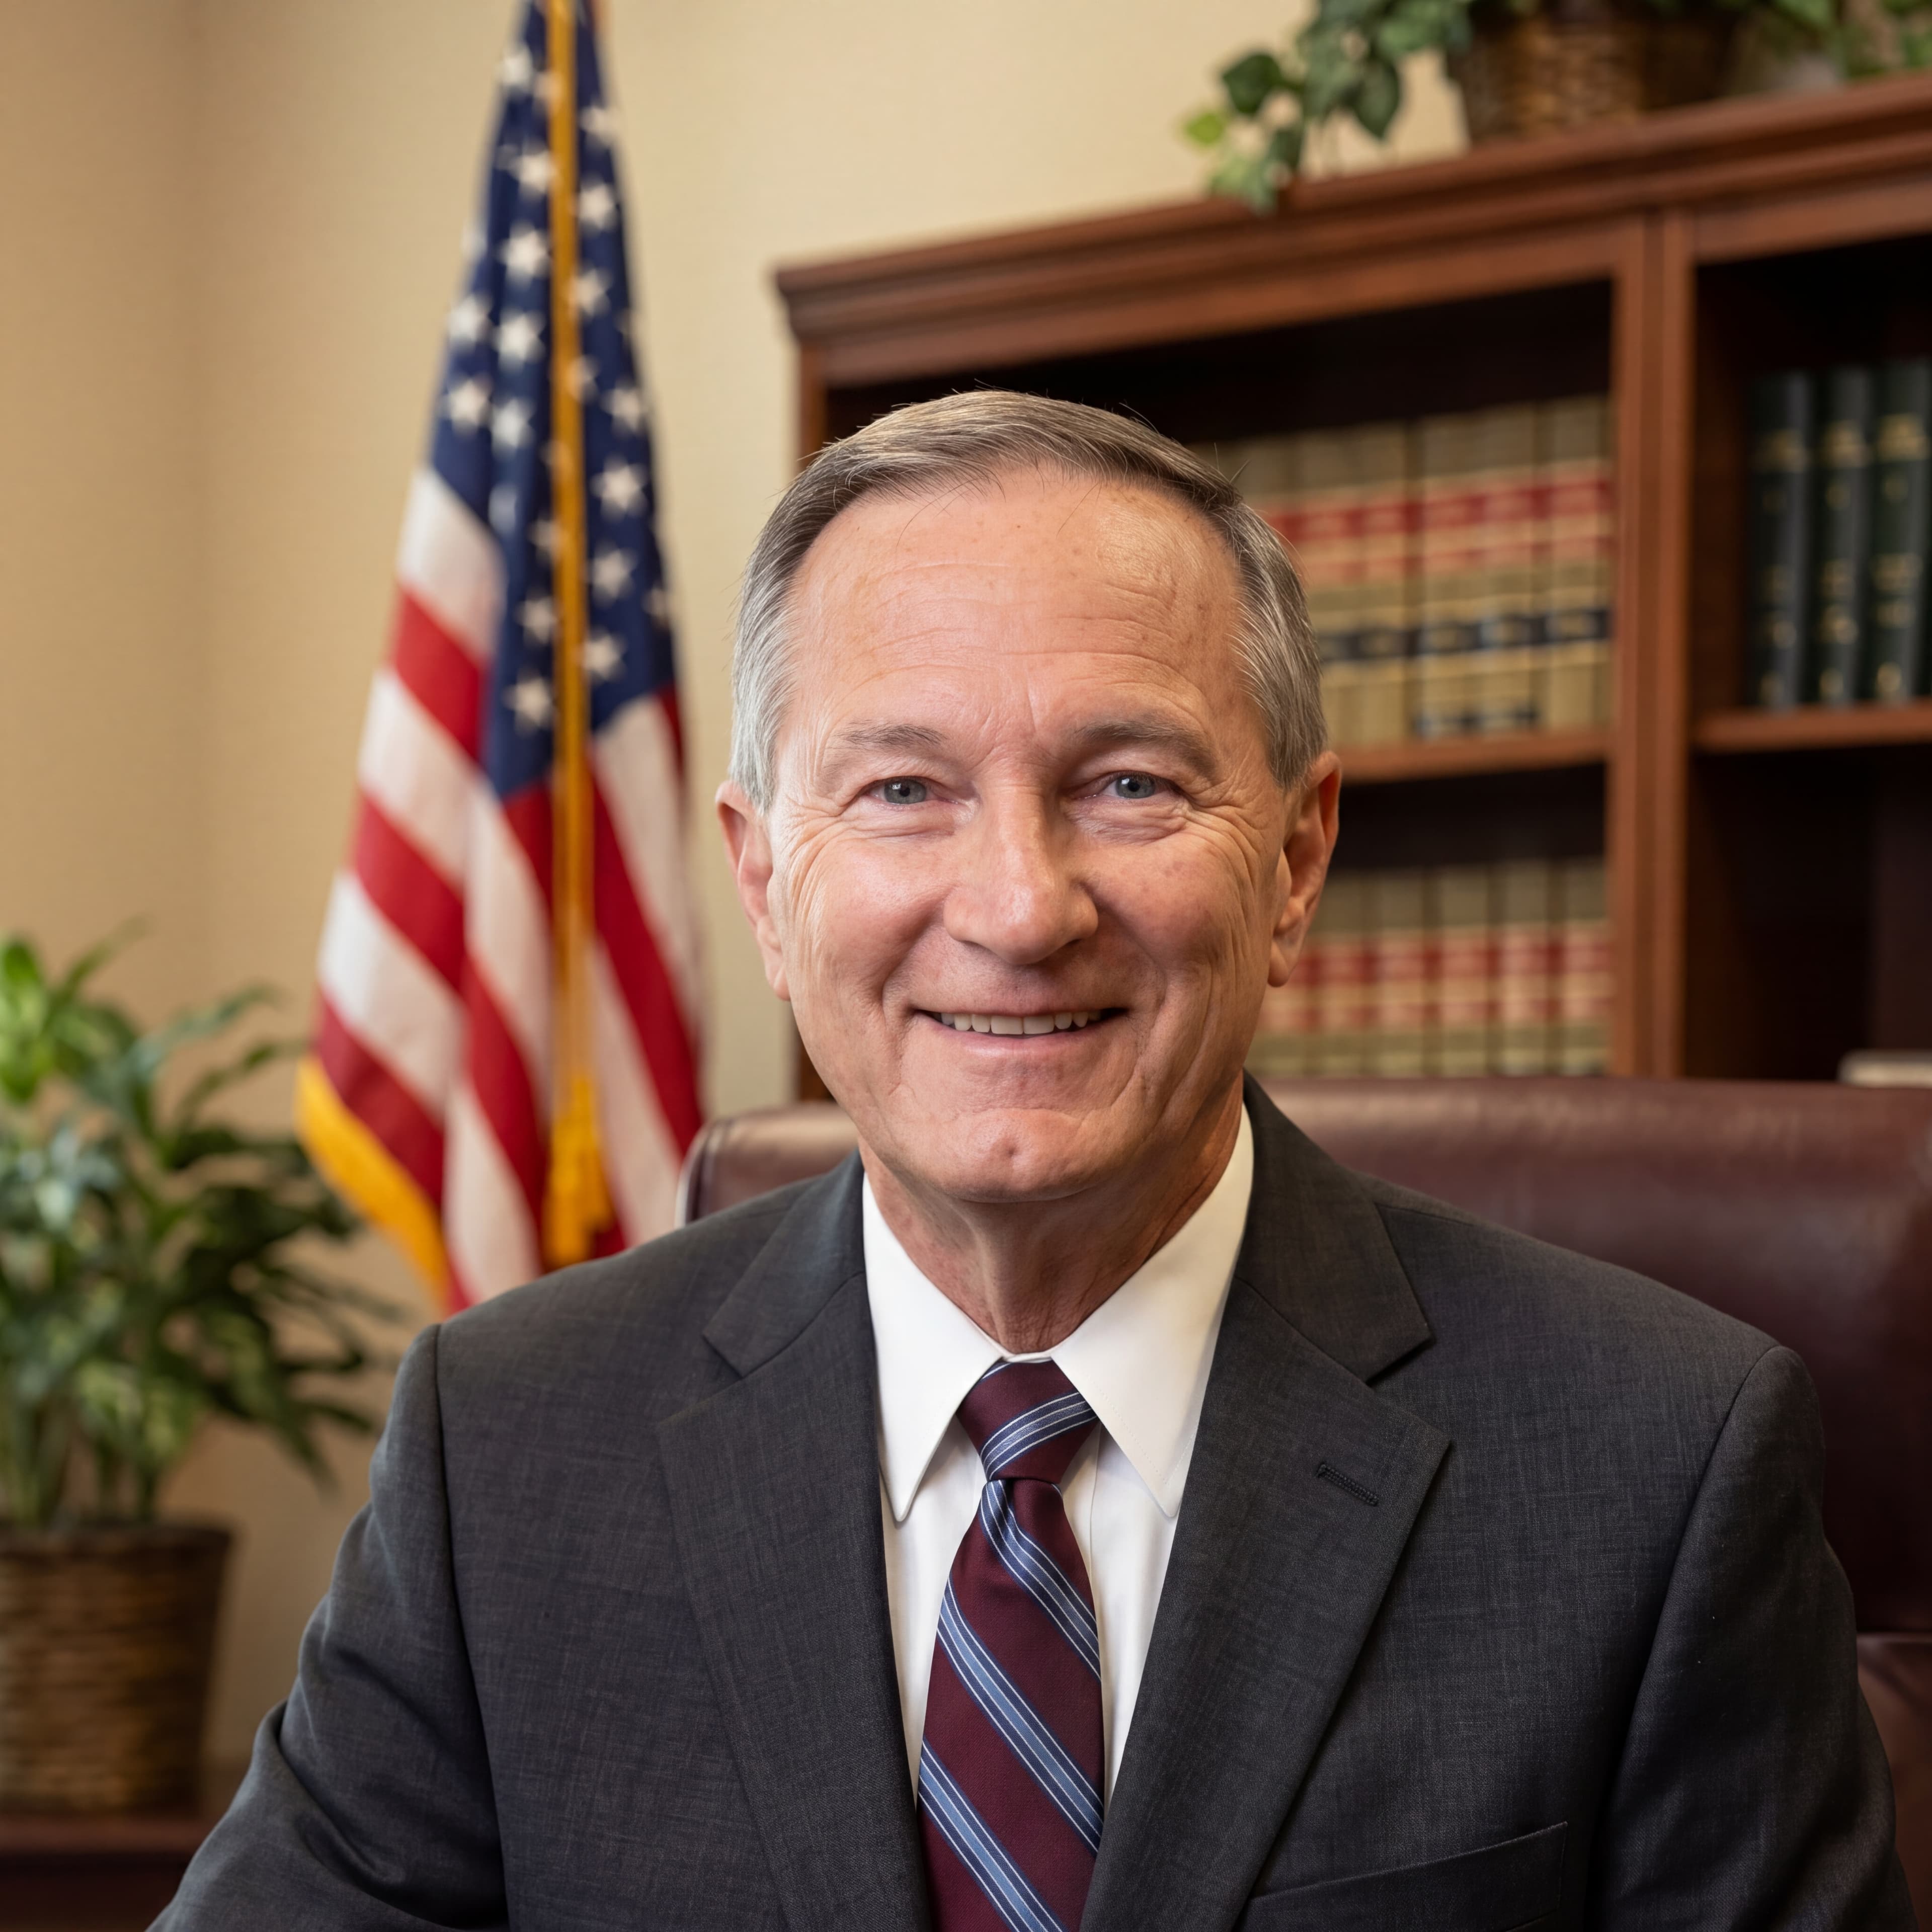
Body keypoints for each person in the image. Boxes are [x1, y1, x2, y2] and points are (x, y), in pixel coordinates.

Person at [159, 392, 1913, 1931]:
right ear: (767, 887)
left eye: (1131, 784)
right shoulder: (510, 1447)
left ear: (1295, 857)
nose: (1018, 907)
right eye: (906, 790)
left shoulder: (1655, 1467)